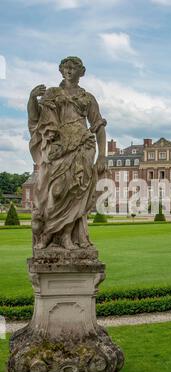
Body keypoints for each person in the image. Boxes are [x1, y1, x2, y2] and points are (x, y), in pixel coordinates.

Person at [28, 56, 107, 250]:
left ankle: (66, 236)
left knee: (77, 193)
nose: (70, 71)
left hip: (83, 145)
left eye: (74, 68)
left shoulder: (88, 98)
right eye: (66, 68)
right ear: (61, 71)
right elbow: (37, 119)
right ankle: (48, 233)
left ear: (82, 72)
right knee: (55, 191)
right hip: (60, 147)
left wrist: (103, 155)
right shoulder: (53, 93)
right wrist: (31, 99)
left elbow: (98, 126)